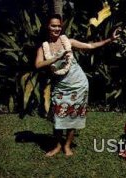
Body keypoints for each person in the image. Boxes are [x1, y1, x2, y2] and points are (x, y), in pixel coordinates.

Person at [35, 14, 120, 157]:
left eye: (59, 26)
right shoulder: (43, 48)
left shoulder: (68, 41)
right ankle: (57, 146)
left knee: (73, 115)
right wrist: (55, 58)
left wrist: (110, 39)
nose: (56, 28)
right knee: (58, 115)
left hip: (78, 84)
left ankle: (67, 146)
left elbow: (90, 45)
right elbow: (38, 65)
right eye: (53, 25)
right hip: (60, 85)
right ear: (47, 27)